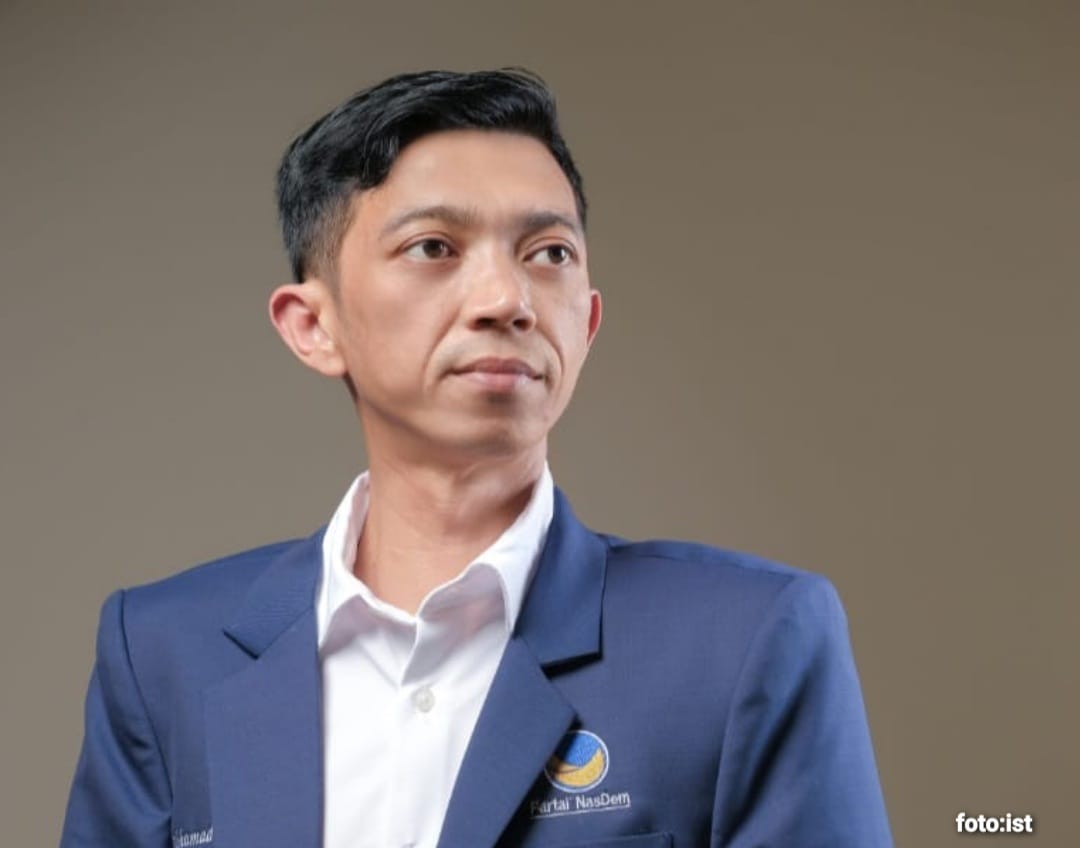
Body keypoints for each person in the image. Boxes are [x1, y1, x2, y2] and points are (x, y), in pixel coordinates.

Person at [60, 69, 893, 848]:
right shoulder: (165, 652)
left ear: (587, 323)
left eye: (549, 253)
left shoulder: (744, 641)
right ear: (313, 326)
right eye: (434, 247)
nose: (507, 300)